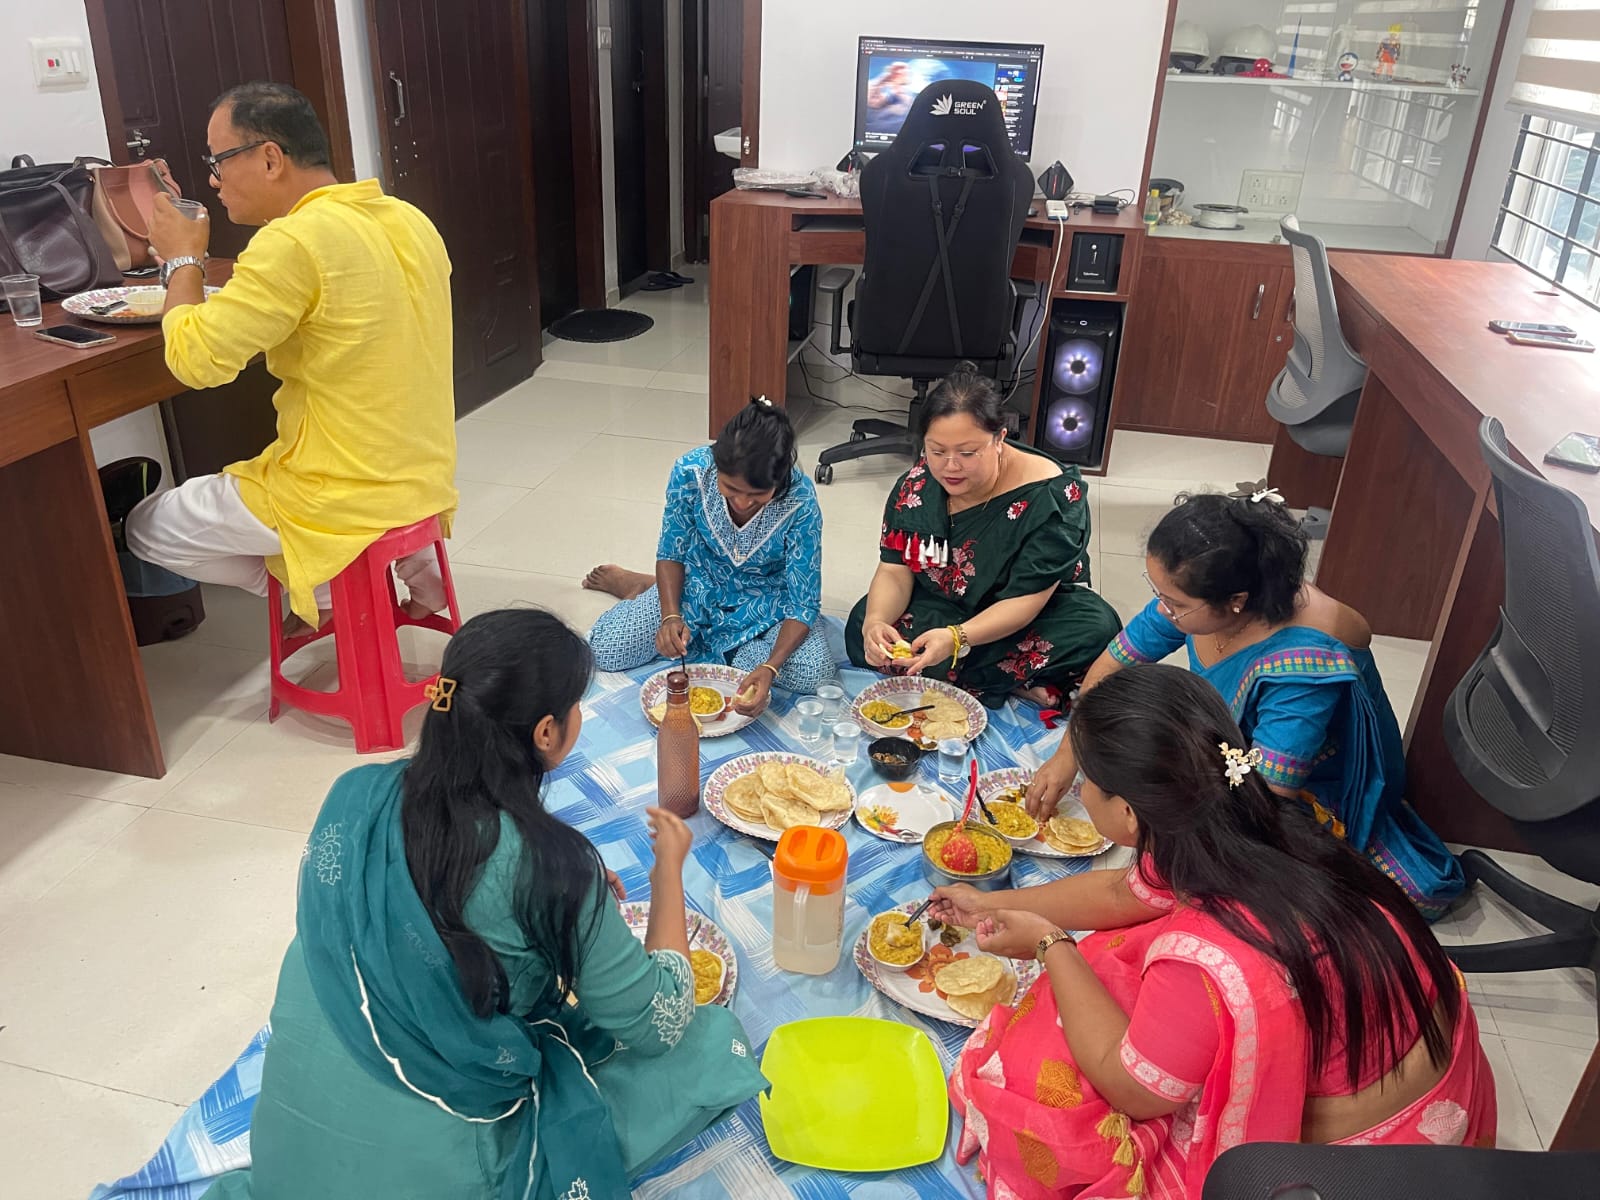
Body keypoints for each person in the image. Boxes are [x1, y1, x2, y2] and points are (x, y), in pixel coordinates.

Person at [202, 609, 764, 1200]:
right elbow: (660, 1022)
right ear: (546, 733)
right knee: (710, 1043)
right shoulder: (553, 867)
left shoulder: (356, 795)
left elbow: (399, 914)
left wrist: (563, 895)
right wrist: (667, 870)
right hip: (443, 1160)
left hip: (288, 1154)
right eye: (576, 705)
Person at [930, 665, 1495, 1200]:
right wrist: (990, 900)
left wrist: (1052, 945)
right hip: (1421, 1052)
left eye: (1087, 786)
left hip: (1360, 1150)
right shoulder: (1234, 822)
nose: (1079, 795)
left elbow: (1136, 1091)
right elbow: (1124, 895)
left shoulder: (1206, 953)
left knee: (1051, 1081)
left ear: (1128, 814)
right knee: (1111, 957)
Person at [1025, 491, 1464, 917]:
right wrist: (1068, 755)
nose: (1163, 609)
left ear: (1235, 602)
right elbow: (1109, 668)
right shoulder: (1207, 596)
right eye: (1159, 593)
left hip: (1309, 784)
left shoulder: (1301, 664)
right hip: (1238, 753)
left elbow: (1267, 797)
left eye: (1174, 603)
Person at [127, 82, 457, 633]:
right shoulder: (407, 217)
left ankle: (323, 589)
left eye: (218, 160)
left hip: (335, 492)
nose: (214, 180)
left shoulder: (292, 241)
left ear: (270, 158)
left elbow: (196, 361)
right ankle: (407, 563)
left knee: (145, 527)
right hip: (423, 473)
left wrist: (182, 259)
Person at [844, 364, 1122, 707]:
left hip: (1021, 612)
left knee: (1096, 628)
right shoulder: (917, 484)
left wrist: (957, 638)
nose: (950, 466)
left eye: (967, 453)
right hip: (944, 604)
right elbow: (894, 570)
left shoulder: (1052, 499)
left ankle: (961, 669)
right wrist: (875, 623)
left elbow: (1026, 602)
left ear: (999, 438)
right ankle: (1010, 680)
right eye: (936, 450)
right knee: (861, 622)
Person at [584, 398, 830, 714]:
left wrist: (770, 666)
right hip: (697, 587)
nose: (742, 503)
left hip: (768, 604)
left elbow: (802, 602)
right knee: (607, 650)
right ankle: (645, 586)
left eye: (757, 495)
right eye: (731, 488)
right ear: (716, 465)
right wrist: (670, 617)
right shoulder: (691, 471)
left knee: (814, 672)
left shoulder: (801, 500)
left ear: (780, 480)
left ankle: (735, 647)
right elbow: (671, 551)